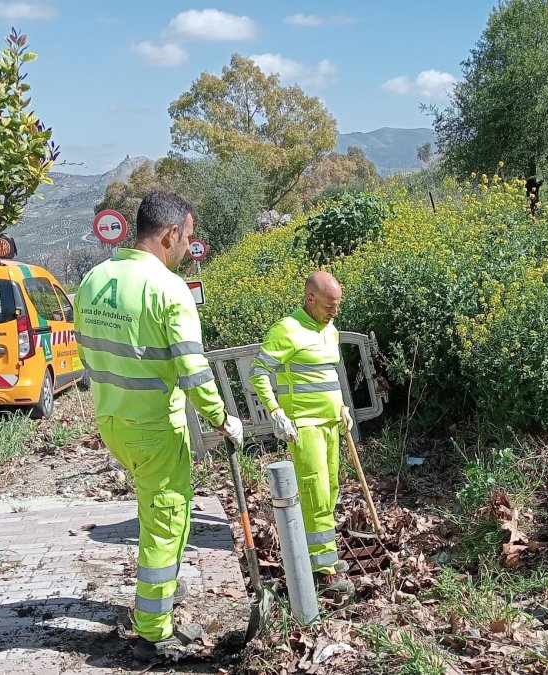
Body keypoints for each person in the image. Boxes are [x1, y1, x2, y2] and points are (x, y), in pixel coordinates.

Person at [74, 190, 243, 657]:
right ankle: (153, 627)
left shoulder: (94, 279)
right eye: (188, 238)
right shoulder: (168, 289)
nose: (190, 247)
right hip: (153, 426)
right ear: (169, 235)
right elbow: (193, 369)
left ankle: (164, 592)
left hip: (113, 419)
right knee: (166, 518)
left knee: (166, 508)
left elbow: (86, 353)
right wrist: (223, 419)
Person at [248, 271, 355, 597]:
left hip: (331, 424)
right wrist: (276, 412)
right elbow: (259, 372)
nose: (333, 312)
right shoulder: (287, 330)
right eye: (328, 306)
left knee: (331, 487)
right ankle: (323, 571)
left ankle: (324, 555)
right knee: (316, 492)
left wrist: (343, 407)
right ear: (310, 299)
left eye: (336, 306)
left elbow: (327, 376)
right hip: (305, 426)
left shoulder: (330, 330)